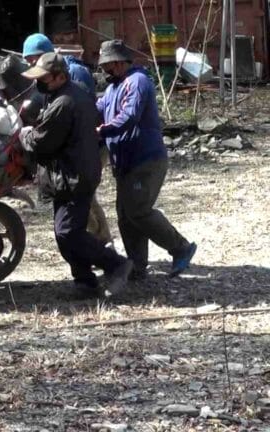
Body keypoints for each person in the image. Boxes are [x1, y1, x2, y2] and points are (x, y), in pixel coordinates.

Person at [19, 53, 133, 298]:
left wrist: (24, 134)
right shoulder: (70, 94)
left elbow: (42, 142)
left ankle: (116, 264)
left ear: (60, 77)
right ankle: (85, 282)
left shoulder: (64, 102)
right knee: (66, 234)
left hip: (74, 176)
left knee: (68, 233)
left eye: (44, 78)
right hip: (70, 174)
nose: (39, 83)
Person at [96, 40, 197, 279]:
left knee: (138, 210)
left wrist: (102, 131)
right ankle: (137, 265)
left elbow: (129, 116)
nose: (104, 70)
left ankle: (180, 247)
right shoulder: (112, 89)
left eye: (107, 65)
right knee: (126, 215)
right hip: (125, 162)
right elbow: (96, 109)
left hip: (145, 159)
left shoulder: (138, 82)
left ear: (118, 62)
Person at [22, 33, 113, 246]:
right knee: (81, 199)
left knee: (82, 196)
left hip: (86, 147)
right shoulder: (46, 77)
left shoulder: (73, 73)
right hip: (70, 147)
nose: (32, 66)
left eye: (33, 60)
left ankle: (101, 244)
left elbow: (77, 111)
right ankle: (98, 243)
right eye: (28, 62)